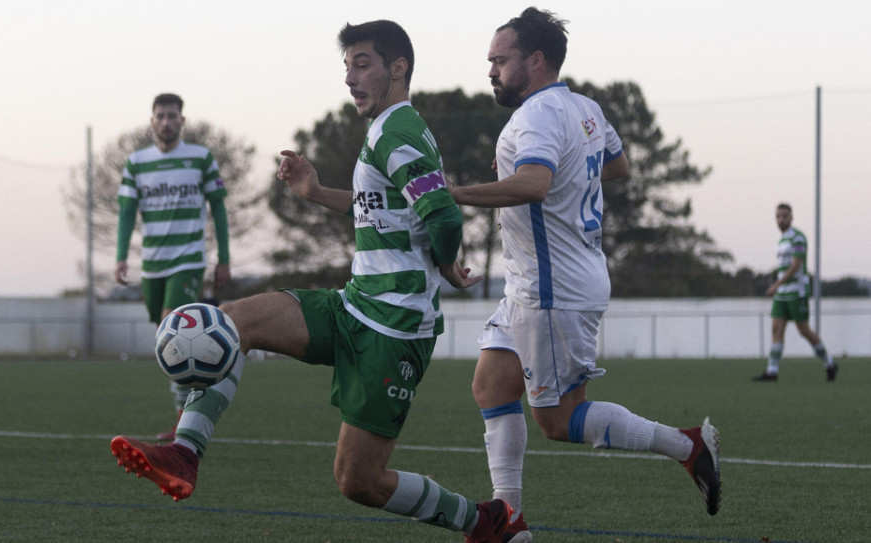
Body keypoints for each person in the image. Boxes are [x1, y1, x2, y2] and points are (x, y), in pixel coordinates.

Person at [111, 20, 517, 543]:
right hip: (354, 306)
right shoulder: (388, 129)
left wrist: (445, 267)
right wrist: (316, 190)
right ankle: (185, 453)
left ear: (399, 67)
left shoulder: (397, 131)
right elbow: (386, 205)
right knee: (233, 321)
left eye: (362, 63)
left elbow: (443, 217)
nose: (350, 77)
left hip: (393, 330)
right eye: (346, 66)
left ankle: (485, 521)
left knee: (358, 480)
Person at [447, 8, 723, 539]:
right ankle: (510, 521)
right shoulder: (585, 108)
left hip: (554, 291)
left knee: (556, 420)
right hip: (538, 283)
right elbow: (617, 166)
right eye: (489, 61)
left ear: (536, 59)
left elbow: (532, 185)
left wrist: (454, 194)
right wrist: (560, 173)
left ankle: (688, 446)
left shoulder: (536, 116)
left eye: (499, 61)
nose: (490, 71)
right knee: (490, 384)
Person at [115, 93, 232, 440]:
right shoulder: (137, 162)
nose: (166, 122)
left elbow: (219, 208)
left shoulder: (201, 158)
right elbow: (125, 212)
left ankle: (185, 421)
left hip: (189, 259)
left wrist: (224, 258)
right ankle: (185, 410)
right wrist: (121, 256)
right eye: (160, 116)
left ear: (182, 120)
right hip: (153, 263)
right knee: (164, 339)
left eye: (172, 116)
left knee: (173, 333)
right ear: (152, 121)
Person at [753, 203, 838, 382]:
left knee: (804, 331)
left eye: (784, 216)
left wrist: (776, 284)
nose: (781, 220)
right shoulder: (782, 240)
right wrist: (778, 286)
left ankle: (830, 364)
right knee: (776, 329)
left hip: (796, 292)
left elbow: (797, 264)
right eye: (778, 216)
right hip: (782, 293)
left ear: (791, 217)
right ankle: (772, 372)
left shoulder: (798, 238)